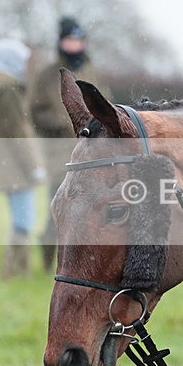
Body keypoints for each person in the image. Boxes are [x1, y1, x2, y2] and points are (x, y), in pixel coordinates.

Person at [29, 16, 109, 270]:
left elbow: (108, 106)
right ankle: (47, 263)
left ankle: (85, 265)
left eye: (78, 40)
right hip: (60, 155)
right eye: (70, 40)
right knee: (59, 209)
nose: (75, 45)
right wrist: (64, 123)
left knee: (92, 212)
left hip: (94, 154)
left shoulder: (93, 72)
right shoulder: (46, 75)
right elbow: (35, 111)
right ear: (61, 43)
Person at [0, 38, 46, 278]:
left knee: (20, 219)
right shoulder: (5, 88)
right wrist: (34, 166)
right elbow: (17, 131)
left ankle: (16, 272)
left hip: (5, 164)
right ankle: (16, 272)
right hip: (15, 166)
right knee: (24, 221)